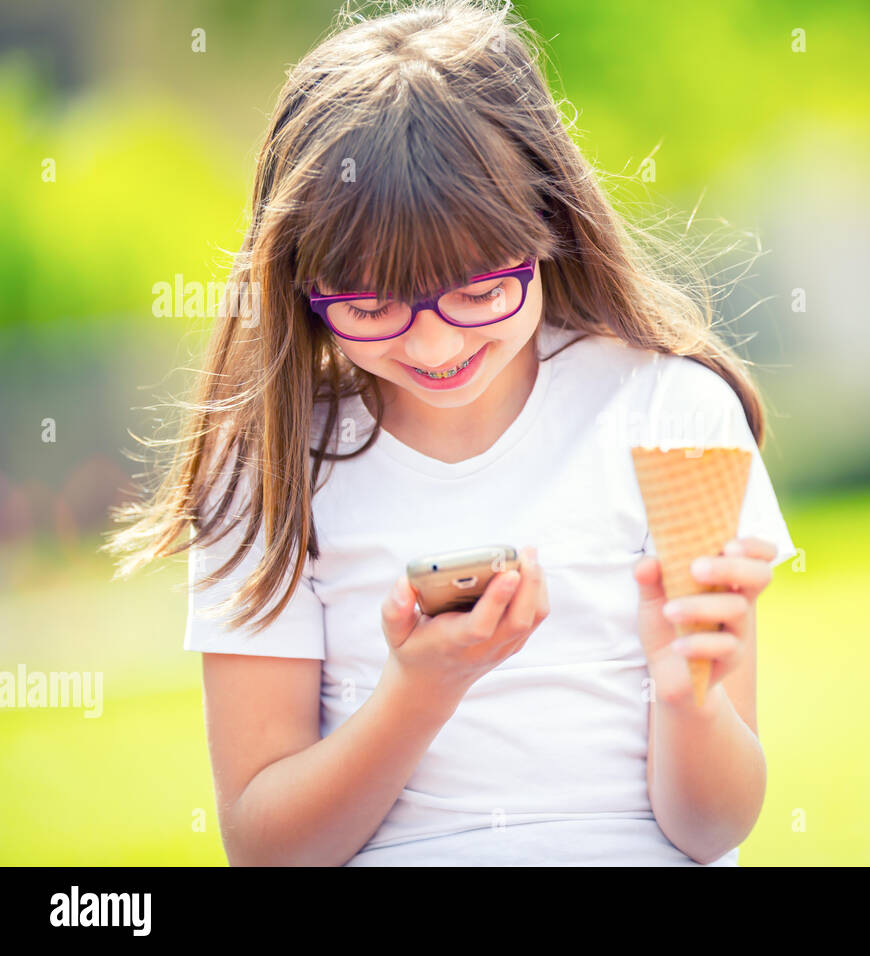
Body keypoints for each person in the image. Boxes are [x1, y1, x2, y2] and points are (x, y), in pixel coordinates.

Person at [105, 0, 796, 866]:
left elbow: (712, 829)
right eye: (368, 305)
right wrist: (421, 690)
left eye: (477, 291)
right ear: (299, 286)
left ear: (551, 228)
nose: (434, 346)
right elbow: (265, 848)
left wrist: (686, 691)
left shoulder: (672, 412)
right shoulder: (270, 463)